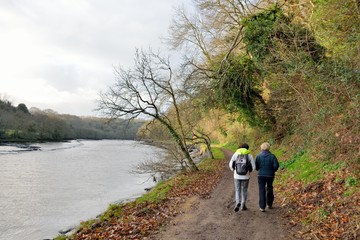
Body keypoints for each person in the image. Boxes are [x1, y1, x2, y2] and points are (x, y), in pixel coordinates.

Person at [229, 143, 255, 212]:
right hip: (246, 176)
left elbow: (231, 164)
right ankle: (243, 205)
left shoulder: (236, 154)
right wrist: (249, 171)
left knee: (237, 190)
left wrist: (233, 170)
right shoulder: (249, 155)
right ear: (247, 148)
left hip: (236, 176)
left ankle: (238, 203)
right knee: (244, 190)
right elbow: (253, 167)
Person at [255, 142, 279, 212]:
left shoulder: (258, 156)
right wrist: (272, 170)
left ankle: (262, 207)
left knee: (261, 189)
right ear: (268, 148)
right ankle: (269, 203)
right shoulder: (272, 156)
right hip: (270, 175)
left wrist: (259, 169)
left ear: (261, 148)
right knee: (269, 188)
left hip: (261, 175)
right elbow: (276, 166)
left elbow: (256, 167)